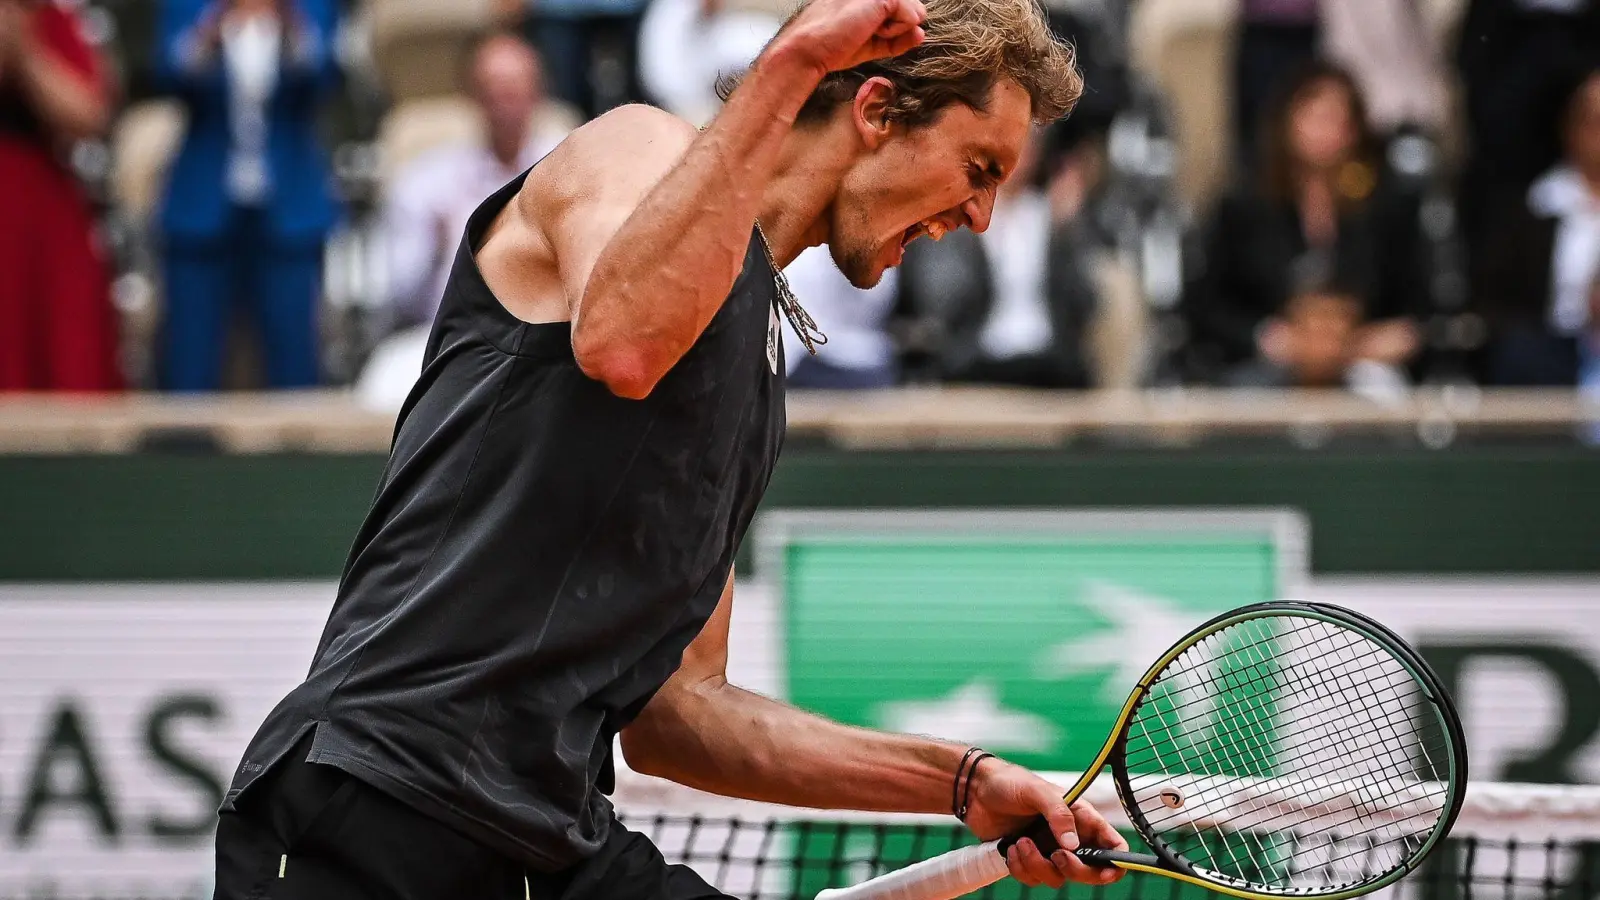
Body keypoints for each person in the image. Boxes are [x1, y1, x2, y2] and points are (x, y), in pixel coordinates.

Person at [213, 0, 1126, 897]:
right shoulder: (642, 147)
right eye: (980, 167)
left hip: (539, 837)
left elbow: (679, 713)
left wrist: (960, 780)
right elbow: (622, 340)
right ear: (876, 111)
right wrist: (790, 65)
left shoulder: (760, 378)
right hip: (377, 800)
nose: (981, 217)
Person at [1183, 61, 1427, 388]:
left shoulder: (1385, 209)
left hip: (1362, 364)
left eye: (1340, 119)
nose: (1327, 131)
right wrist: (1267, 338)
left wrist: (1376, 340)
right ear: (1288, 121)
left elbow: (1419, 306)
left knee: (1385, 394)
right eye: (1317, 117)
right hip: (1266, 367)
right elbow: (1204, 306)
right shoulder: (1245, 205)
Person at [153, 0, 341, 391]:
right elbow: (169, 74)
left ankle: (294, 454)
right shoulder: (189, 5)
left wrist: (289, 21)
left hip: (289, 207)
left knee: (296, 370)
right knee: (189, 369)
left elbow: (324, 75)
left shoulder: (311, 6)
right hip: (202, 207)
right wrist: (215, 23)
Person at [383, 30, 577, 328]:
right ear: (472, 97)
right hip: (448, 342)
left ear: (538, 93)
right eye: (493, 91)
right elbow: (400, 297)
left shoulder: (573, 175)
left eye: (514, 90)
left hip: (549, 342)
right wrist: (433, 249)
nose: (504, 104)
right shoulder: (427, 184)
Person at [0, 0, 121, 392]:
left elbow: (89, 116)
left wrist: (25, 53)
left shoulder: (56, 20)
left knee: (64, 344)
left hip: (40, 201)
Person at [1474, 66, 1600, 387]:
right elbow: (1494, 302)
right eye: (1595, 123)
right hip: (1552, 354)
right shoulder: (1532, 208)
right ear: (1571, 129)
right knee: (1520, 352)